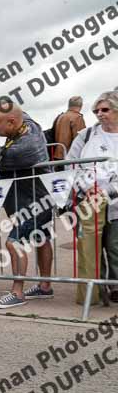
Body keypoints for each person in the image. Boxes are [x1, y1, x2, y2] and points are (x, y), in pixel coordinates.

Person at [0, 100, 53, 309]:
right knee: (42, 238)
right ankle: (45, 287)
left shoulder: (22, 148)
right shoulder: (28, 122)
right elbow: (15, 111)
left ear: (12, 122)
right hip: (38, 195)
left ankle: (17, 293)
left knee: (13, 242)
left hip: (35, 201)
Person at [67, 91, 118, 304]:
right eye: (96, 110)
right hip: (90, 201)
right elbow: (70, 164)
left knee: (115, 245)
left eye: (105, 110)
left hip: (115, 201)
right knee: (92, 248)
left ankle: (115, 287)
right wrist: (85, 186)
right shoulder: (85, 135)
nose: (99, 114)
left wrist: (111, 190)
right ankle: (99, 289)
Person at [52, 96, 87, 160]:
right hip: (70, 156)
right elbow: (81, 138)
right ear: (81, 105)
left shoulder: (60, 116)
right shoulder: (77, 118)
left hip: (57, 155)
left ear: (69, 105)